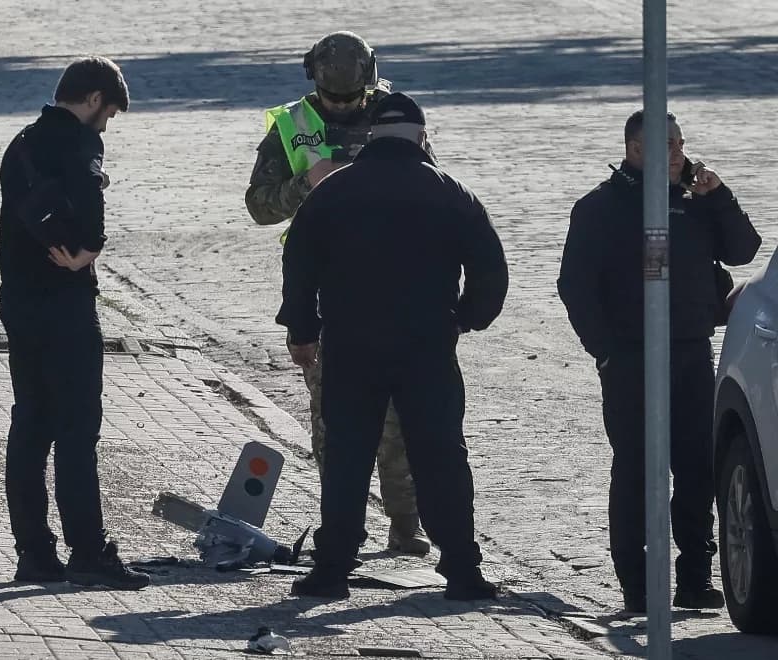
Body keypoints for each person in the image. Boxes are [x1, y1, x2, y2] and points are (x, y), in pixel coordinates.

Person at [278, 93, 507, 600]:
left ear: (371, 138)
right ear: (422, 138)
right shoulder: (451, 192)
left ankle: (333, 569)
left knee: (347, 456)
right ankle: (463, 569)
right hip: (426, 345)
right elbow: (491, 268)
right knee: (441, 455)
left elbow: (299, 261)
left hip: (351, 344)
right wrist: (466, 319)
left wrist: (301, 328)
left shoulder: (334, 191)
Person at [558, 110, 760, 613]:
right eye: (668, 145)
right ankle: (637, 585)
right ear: (636, 150)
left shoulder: (692, 202)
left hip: (691, 351)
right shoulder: (599, 208)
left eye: (681, 143)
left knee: (696, 469)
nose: (679, 154)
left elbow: (744, 249)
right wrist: (603, 351)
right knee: (636, 471)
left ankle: (695, 576)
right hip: (628, 357)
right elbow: (575, 287)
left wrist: (718, 195)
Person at [246, 31, 429, 555]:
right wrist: (307, 183)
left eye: (351, 100)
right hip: (325, 289)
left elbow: (430, 182)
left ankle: (405, 523)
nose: (342, 107)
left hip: (394, 285)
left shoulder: (396, 116)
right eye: (333, 100)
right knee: (335, 420)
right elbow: (259, 206)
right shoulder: (291, 126)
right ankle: (341, 523)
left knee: (400, 417)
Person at [0, 56, 149, 590]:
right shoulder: (81, 145)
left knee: (30, 425)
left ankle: (33, 552)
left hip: (17, 298)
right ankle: (88, 550)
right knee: (77, 431)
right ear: (91, 100)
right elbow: (90, 214)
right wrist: (88, 250)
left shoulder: (19, 142)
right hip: (64, 301)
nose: (106, 124)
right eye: (107, 113)